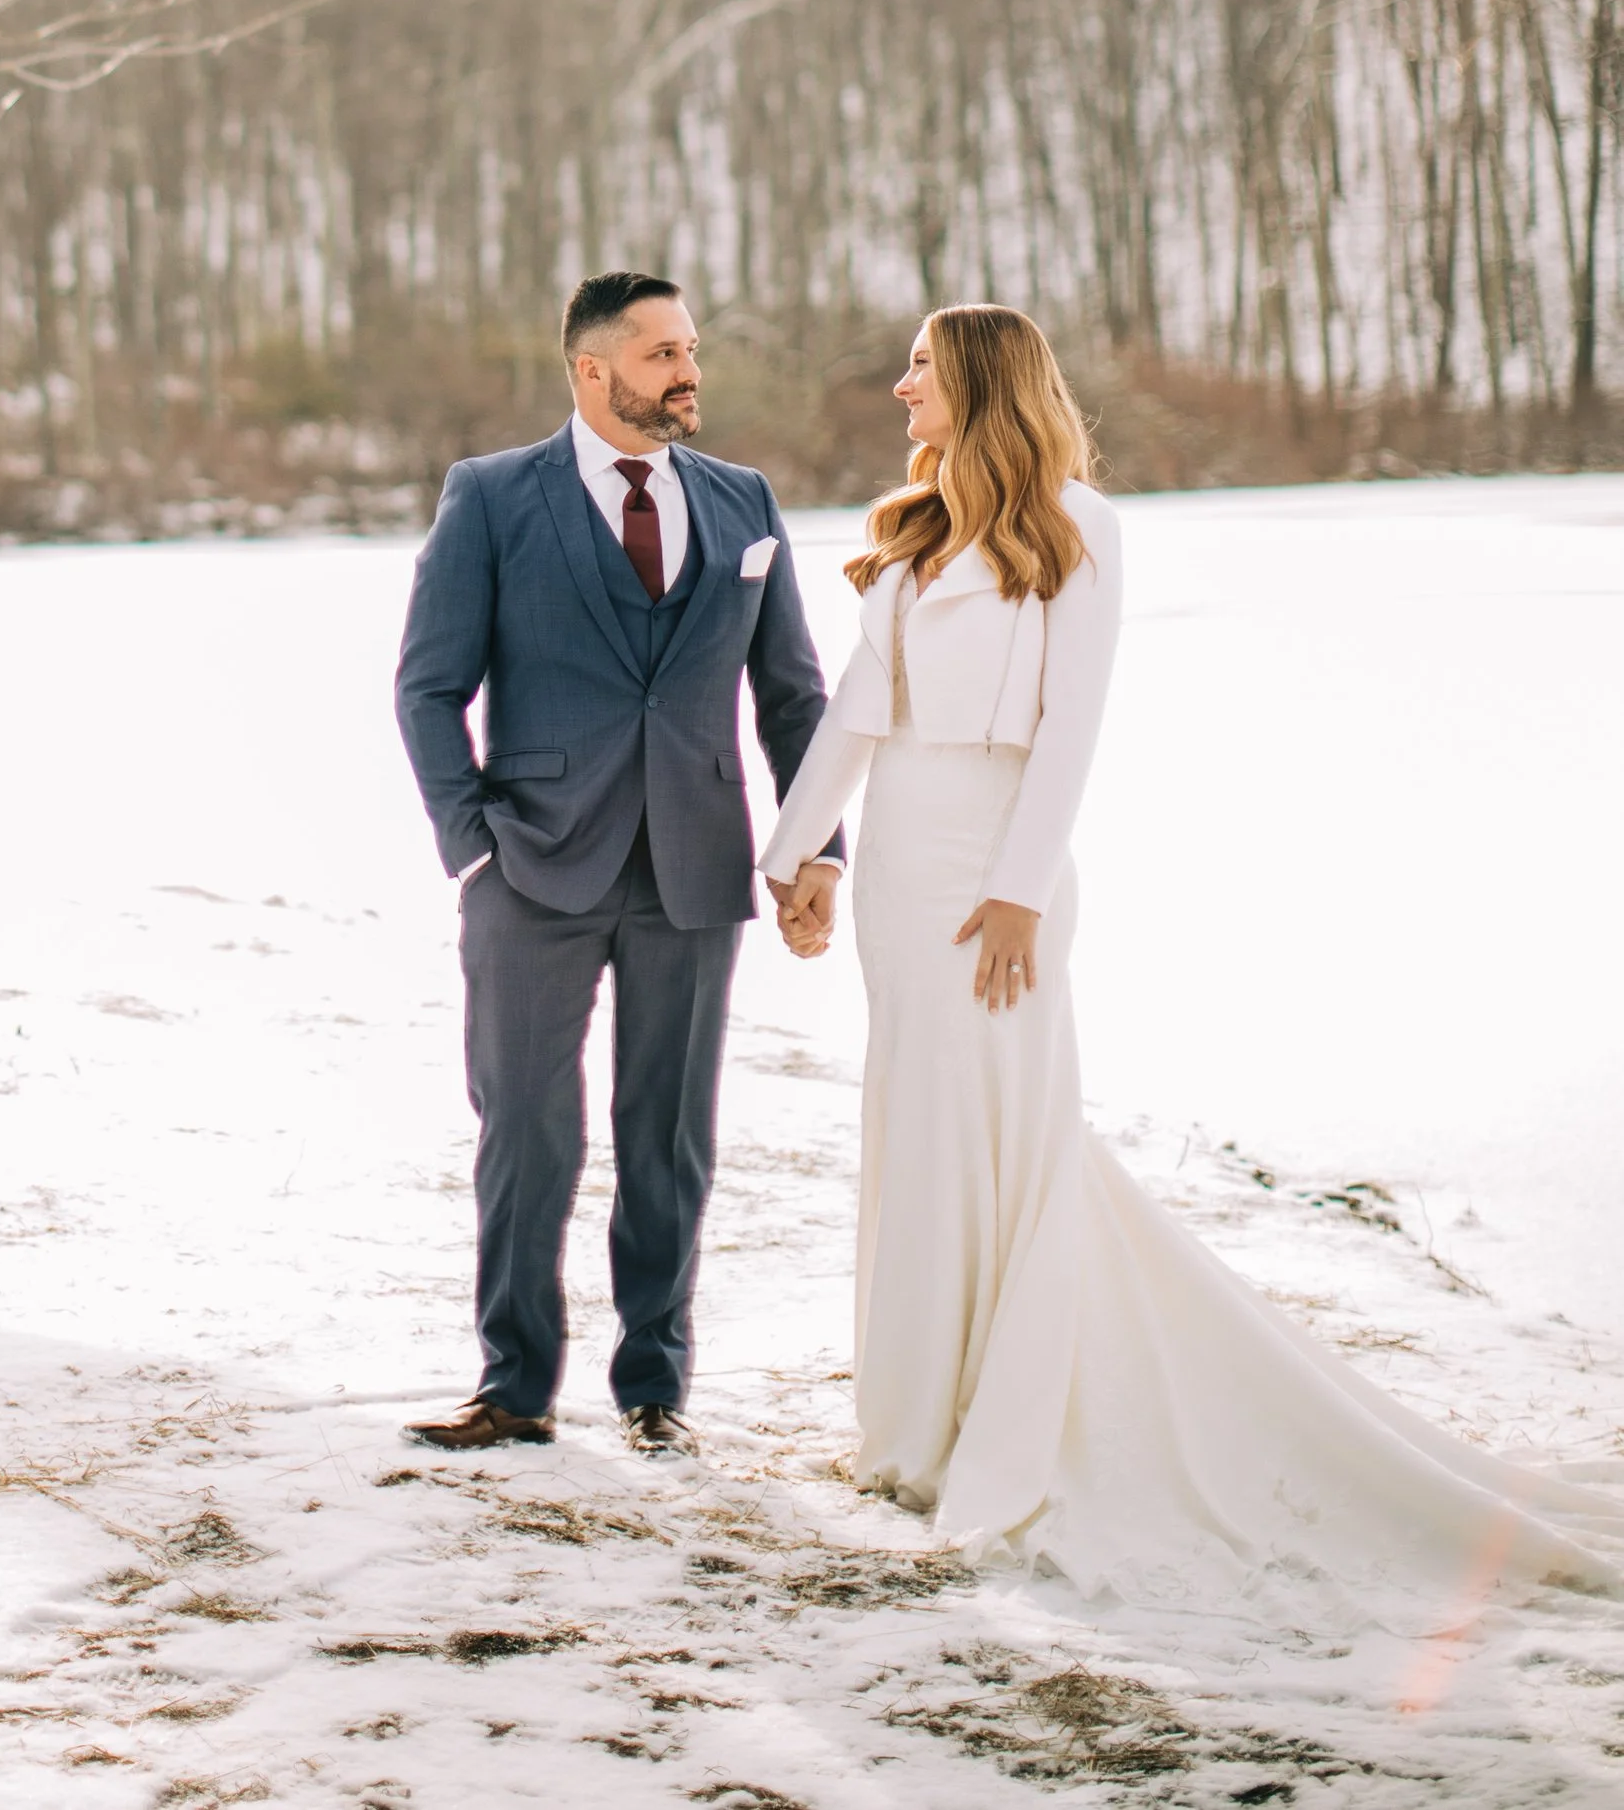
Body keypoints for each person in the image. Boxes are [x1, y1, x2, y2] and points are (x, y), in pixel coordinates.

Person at [764, 301, 1624, 1598]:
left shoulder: (1077, 528)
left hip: (999, 878)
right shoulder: (915, 539)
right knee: (918, 1122)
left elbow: (1070, 728)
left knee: (1011, 1128)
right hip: (898, 869)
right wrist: (793, 859)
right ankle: (915, 1414)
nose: (899, 389)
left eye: (924, 371)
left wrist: (1018, 895)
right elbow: (849, 720)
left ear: (988, 383)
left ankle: (1015, 1402)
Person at [393, 272, 839, 1456]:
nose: (687, 372)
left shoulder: (744, 503)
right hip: (530, 867)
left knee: (669, 1137)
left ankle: (654, 1390)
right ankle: (514, 1386)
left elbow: (793, 698)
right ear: (592, 371)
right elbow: (428, 688)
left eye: (689, 349)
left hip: (694, 868)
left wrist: (814, 852)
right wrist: (470, 845)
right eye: (660, 355)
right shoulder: (490, 498)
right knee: (527, 1130)